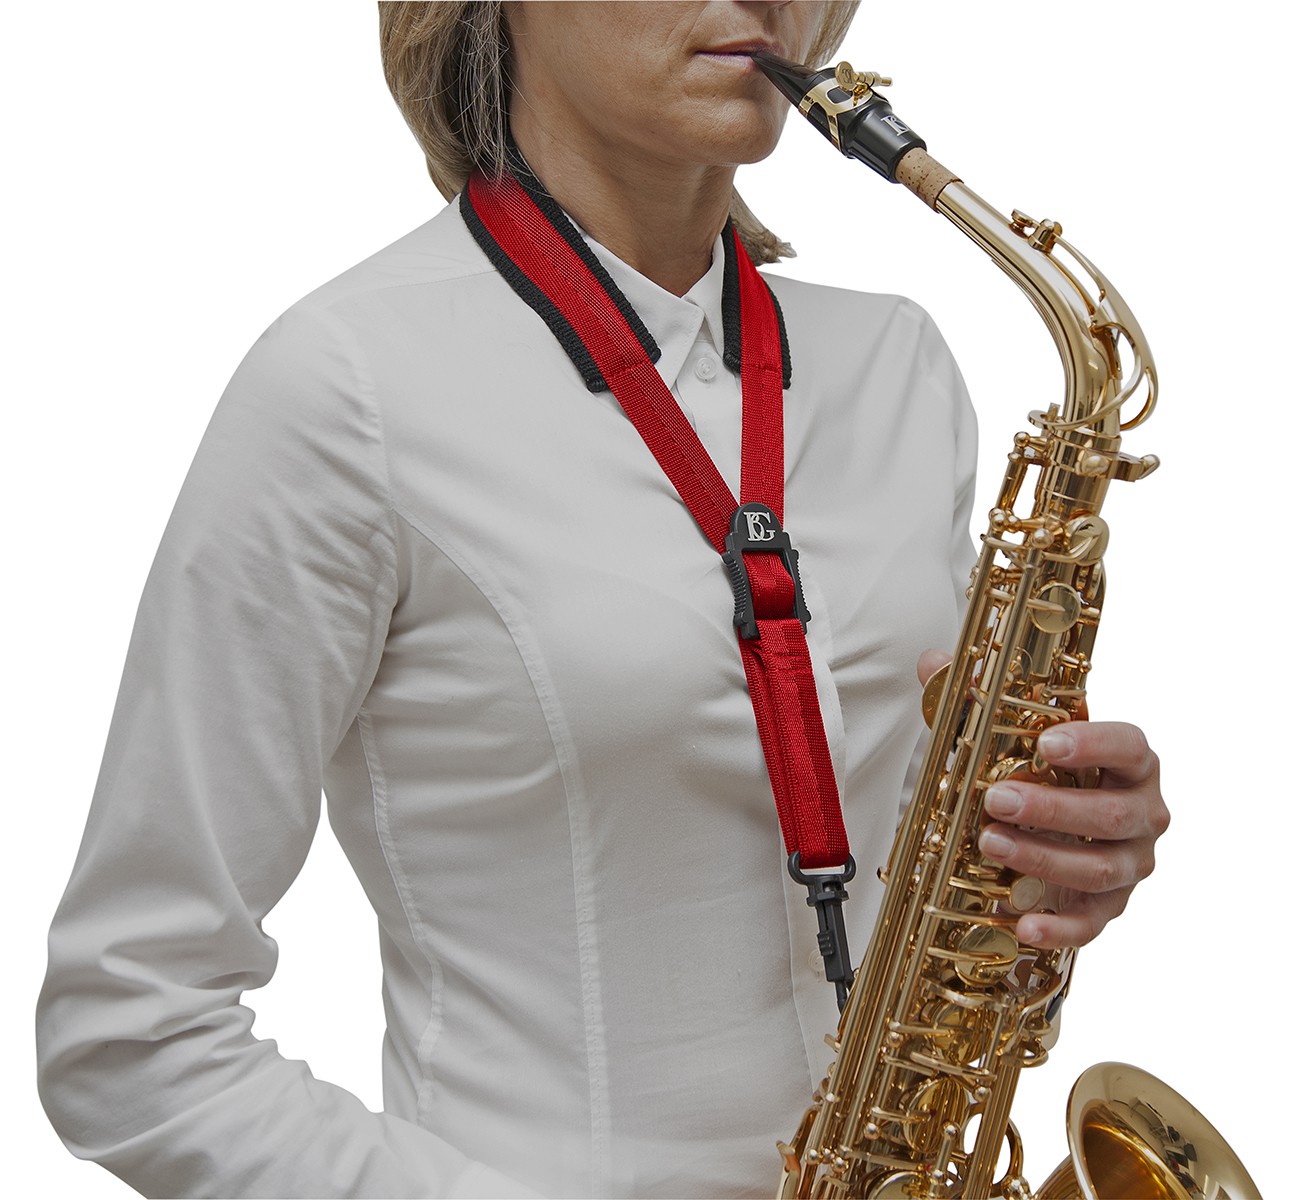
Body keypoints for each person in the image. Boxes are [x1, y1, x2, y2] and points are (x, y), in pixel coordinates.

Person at [36, 3, 1169, 1197]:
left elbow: (913, 901)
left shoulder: (900, 366)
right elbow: (130, 1032)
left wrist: (1038, 875)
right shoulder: (345, 386)